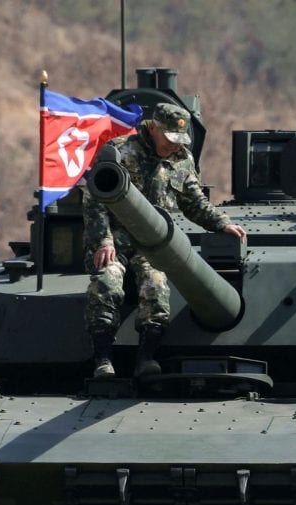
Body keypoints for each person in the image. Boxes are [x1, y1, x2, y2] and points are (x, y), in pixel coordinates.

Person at [82, 102, 247, 378]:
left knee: (157, 288)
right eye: (170, 138)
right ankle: (103, 359)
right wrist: (103, 241)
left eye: (179, 140)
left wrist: (222, 223)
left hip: (152, 245)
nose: (174, 145)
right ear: (154, 128)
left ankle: (146, 358)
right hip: (116, 240)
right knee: (106, 284)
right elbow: (94, 199)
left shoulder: (182, 159)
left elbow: (194, 202)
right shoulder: (121, 151)